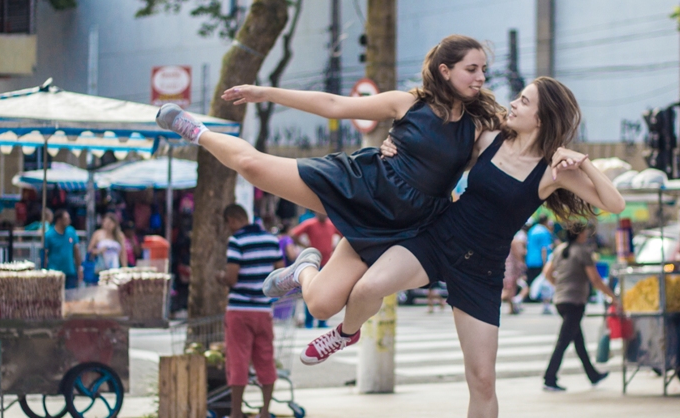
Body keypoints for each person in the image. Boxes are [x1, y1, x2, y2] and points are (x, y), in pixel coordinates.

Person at [303, 77, 625, 418]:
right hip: (436, 240)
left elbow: (613, 203)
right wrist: (392, 150)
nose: (513, 102)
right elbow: (437, 148)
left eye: (523, 100)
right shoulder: (488, 138)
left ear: (541, 116)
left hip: (482, 272)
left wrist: (581, 162)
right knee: (368, 287)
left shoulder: (551, 171)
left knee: (482, 379)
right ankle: (346, 333)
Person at [157, 35, 501, 338]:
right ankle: (196, 131)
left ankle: (303, 269)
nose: (481, 78)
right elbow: (335, 105)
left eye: (483, 70)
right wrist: (265, 93)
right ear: (445, 70)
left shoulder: (478, 127)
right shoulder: (409, 103)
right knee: (252, 167)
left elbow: (522, 142)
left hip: (402, 225)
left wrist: (557, 153)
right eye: (472, 69)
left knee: (321, 305)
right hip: (364, 186)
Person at [210, 204, 283, 418]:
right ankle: (264, 414)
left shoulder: (237, 241)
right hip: (263, 310)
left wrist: (220, 277)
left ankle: (236, 417)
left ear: (233, 219)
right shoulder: (271, 241)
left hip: (240, 310)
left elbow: (232, 278)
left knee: (238, 360)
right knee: (265, 359)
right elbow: (281, 273)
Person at [541, 223, 616, 391]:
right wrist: (612, 296)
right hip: (574, 302)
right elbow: (595, 279)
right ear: (580, 234)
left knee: (578, 342)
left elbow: (547, 272)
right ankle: (549, 378)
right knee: (563, 342)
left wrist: (559, 285)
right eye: (585, 233)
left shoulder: (559, 250)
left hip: (561, 300)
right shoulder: (582, 252)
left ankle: (593, 375)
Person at [291, 213, 340, 329]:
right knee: (310, 292)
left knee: (327, 293)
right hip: (313, 263)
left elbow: (345, 236)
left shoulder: (331, 224)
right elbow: (293, 234)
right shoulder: (310, 223)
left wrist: (336, 248)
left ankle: (322, 321)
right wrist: (306, 245)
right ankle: (309, 321)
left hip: (327, 263)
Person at [44, 209, 81, 289]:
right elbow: (45, 254)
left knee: (71, 298)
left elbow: (76, 251)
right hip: (54, 273)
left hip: (70, 271)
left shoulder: (71, 232)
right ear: (59, 220)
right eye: (66, 219)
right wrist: (44, 271)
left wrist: (79, 267)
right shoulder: (49, 235)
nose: (69, 221)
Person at [525, 215, 553, 297]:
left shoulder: (532, 230)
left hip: (530, 260)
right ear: (546, 221)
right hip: (539, 261)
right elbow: (544, 249)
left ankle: (529, 297)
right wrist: (545, 263)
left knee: (531, 281)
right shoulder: (544, 231)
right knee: (541, 282)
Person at [502, 228, 527, 314]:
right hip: (511, 268)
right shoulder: (513, 241)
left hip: (507, 266)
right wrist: (522, 263)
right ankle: (489, 303)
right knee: (509, 288)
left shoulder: (504, 239)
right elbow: (517, 254)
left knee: (511, 288)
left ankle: (511, 308)